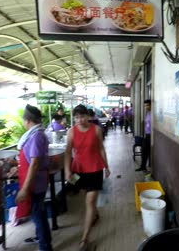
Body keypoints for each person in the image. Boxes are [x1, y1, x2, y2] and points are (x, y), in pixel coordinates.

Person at [64, 105, 111, 250]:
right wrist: (67, 171)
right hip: (79, 170)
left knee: (90, 201)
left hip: (95, 168)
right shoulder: (71, 132)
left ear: (88, 116)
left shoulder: (96, 129)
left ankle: (84, 239)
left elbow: (101, 148)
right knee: (87, 198)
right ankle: (95, 215)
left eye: (82, 116)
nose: (79, 120)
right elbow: (67, 153)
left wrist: (107, 166)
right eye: (76, 117)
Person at [15, 104, 53, 251]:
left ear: (27, 121)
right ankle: (41, 238)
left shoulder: (36, 136)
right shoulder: (36, 134)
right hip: (36, 181)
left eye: (24, 121)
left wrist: (24, 189)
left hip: (35, 183)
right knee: (39, 213)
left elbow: (35, 163)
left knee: (38, 215)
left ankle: (45, 246)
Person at [136, 100, 151, 172]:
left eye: (148, 105)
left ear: (151, 105)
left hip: (151, 135)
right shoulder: (148, 113)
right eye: (145, 105)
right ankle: (143, 166)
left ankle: (144, 166)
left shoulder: (152, 113)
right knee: (144, 151)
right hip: (147, 134)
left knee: (145, 150)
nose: (146, 107)